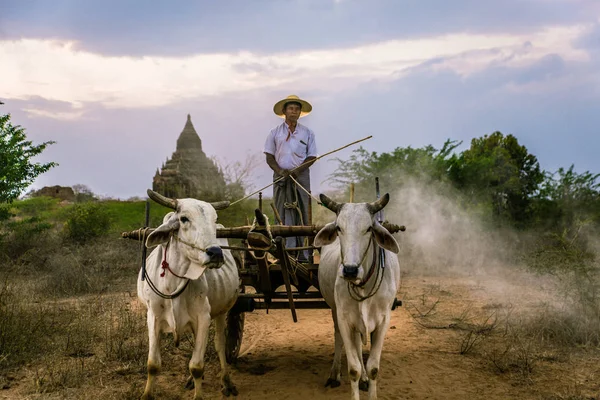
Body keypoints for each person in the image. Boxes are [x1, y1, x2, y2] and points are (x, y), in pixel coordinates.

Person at [263, 94, 317, 261]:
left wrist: (297, 170)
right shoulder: (274, 133)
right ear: (284, 111)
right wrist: (280, 171)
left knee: (303, 213)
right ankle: (284, 252)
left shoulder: (307, 133)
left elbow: (312, 156)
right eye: (291, 108)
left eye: (297, 109)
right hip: (280, 177)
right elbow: (269, 157)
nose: (294, 111)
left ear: (300, 112)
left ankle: (304, 253)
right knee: (281, 212)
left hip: (301, 177)